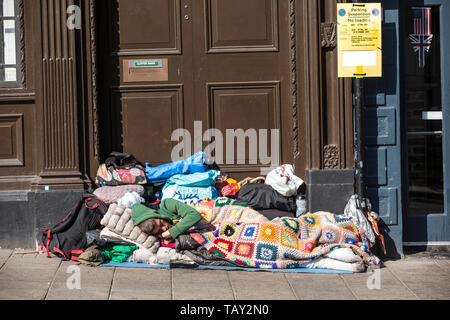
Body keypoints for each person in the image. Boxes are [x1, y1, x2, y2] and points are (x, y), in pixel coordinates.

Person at [131, 198, 202, 245]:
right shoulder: (161, 236)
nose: (164, 229)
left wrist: (171, 232)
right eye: (159, 231)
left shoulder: (167, 204)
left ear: (157, 215)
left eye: (161, 223)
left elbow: (194, 215)